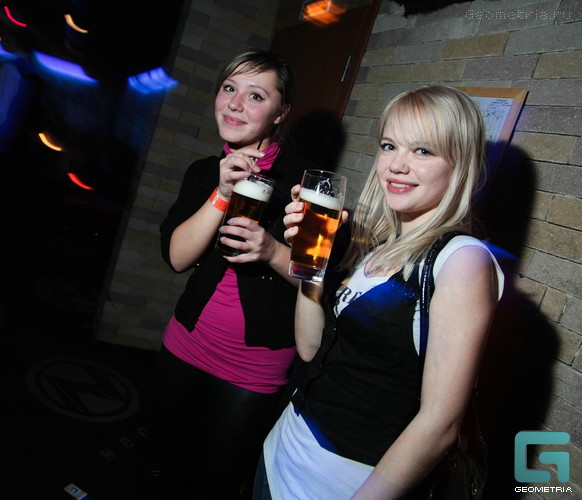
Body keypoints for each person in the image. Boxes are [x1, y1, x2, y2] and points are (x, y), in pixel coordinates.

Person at [255, 85, 505, 499]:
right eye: (389, 146)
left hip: (335, 487)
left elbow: (440, 425)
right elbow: (310, 348)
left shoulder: (462, 261)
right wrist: (312, 260)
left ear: (459, 164)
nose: (397, 165)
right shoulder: (378, 246)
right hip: (279, 453)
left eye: (423, 150)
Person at [139, 49, 319, 500]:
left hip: (255, 366)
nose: (235, 104)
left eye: (256, 95)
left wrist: (272, 251)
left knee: (216, 484)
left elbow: (318, 281)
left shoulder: (309, 186)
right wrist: (221, 192)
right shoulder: (204, 172)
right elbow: (177, 258)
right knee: (157, 466)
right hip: (186, 342)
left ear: (281, 112)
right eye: (229, 88)